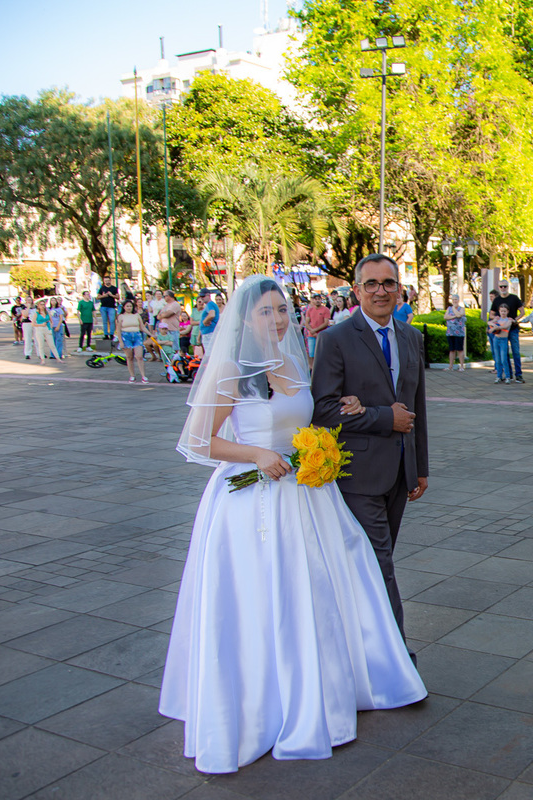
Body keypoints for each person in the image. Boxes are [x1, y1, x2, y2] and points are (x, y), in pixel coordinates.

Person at [164, 275, 425, 774]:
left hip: (307, 491)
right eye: (266, 312)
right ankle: (267, 700)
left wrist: (342, 415)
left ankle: (326, 686)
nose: (278, 319)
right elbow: (200, 441)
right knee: (268, 594)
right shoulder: (235, 371)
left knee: (324, 587)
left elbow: (307, 419)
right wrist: (258, 454)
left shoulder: (291, 358)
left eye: (282, 309)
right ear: (244, 319)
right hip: (253, 498)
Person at [311, 255, 430, 652]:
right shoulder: (335, 339)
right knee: (380, 563)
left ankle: (354, 642)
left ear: (401, 288)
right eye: (372, 284)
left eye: (389, 283)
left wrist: (421, 467)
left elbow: (418, 407)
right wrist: (383, 418)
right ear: (357, 290)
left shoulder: (412, 337)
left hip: (401, 472)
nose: (381, 291)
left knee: (373, 563)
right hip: (357, 474)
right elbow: (323, 410)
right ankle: (394, 654)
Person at [491, 280, 524, 382]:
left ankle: (518, 374)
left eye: (505, 286)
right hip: (501, 332)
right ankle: (508, 375)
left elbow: (522, 312)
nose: (503, 288)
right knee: (504, 354)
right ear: (498, 287)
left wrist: (515, 319)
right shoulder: (497, 300)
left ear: (508, 287)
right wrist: (495, 319)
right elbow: (491, 314)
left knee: (516, 352)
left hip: (513, 329)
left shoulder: (514, 298)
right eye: (501, 287)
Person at [115, 299, 149, 383]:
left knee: (139, 356)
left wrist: (150, 334)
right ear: (124, 307)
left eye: (130, 306)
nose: (129, 308)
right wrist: (121, 342)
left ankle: (143, 376)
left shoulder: (136, 315)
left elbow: (142, 327)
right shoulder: (121, 316)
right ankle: (132, 375)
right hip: (126, 336)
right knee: (129, 357)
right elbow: (118, 330)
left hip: (137, 335)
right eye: (127, 306)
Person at [302, 294, 332, 365]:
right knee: (311, 354)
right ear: (313, 300)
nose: (317, 301)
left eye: (319, 299)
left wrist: (315, 330)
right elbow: (306, 323)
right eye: (316, 299)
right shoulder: (310, 310)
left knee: (322, 354)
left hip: (322, 335)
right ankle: (312, 370)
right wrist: (312, 331)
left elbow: (325, 323)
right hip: (311, 335)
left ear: (321, 300)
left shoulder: (326, 309)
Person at [30, 299, 60, 364]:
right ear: (38, 305)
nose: (42, 306)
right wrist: (40, 325)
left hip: (47, 328)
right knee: (41, 345)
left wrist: (50, 327)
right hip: (39, 329)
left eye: (43, 304)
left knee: (52, 344)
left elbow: (51, 321)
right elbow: (33, 324)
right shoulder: (36, 313)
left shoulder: (47, 312)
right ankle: (42, 359)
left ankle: (58, 358)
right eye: (41, 304)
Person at [489, 304, 513, 383]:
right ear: (499, 311)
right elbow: (489, 323)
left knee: (504, 359)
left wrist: (495, 327)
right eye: (501, 311)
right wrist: (494, 323)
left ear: (507, 312)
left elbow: (505, 326)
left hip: (503, 340)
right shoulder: (497, 319)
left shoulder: (508, 320)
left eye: (504, 311)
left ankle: (507, 376)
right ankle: (499, 376)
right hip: (496, 339)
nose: (503, 313)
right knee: (498, 359)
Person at [445, 293, 467, 370]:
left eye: (456, 299)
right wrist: (454, 316)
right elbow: (446, 317)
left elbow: (459, 315)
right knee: (451, 350)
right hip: (450, 332)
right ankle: (450, 366)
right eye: (453, 299)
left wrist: (454, 309)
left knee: (460, 349)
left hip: (459, 333)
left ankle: (461, 366)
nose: (454, 301)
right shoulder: (449, 308)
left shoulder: (461, 308)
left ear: (458, 300)